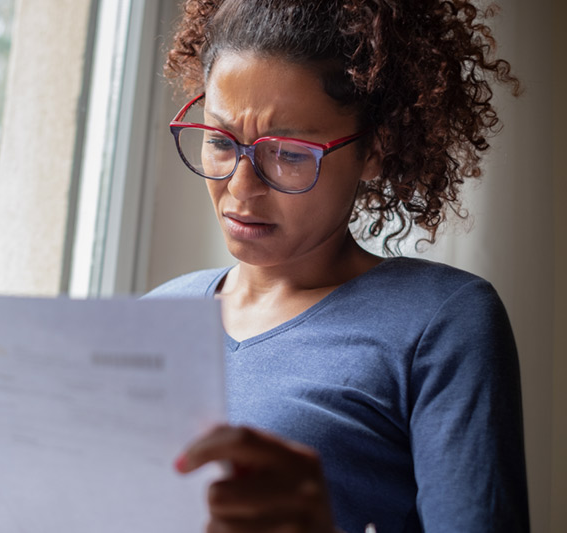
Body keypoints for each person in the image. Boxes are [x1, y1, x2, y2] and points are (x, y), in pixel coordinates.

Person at [144, 0, 529, 531]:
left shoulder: (441, 323)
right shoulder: (155, 315)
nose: (240, 185)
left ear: (376, 148)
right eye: (219, 140)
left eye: (289, 153)